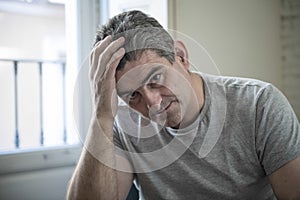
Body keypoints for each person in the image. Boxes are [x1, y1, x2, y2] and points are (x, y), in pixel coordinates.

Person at [67, 10, 300, 199]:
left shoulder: (260, 104)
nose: (152, 103)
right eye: (133, 96)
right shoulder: (123, 125)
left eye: (156, 79)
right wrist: (102, 114)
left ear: (181, 56)